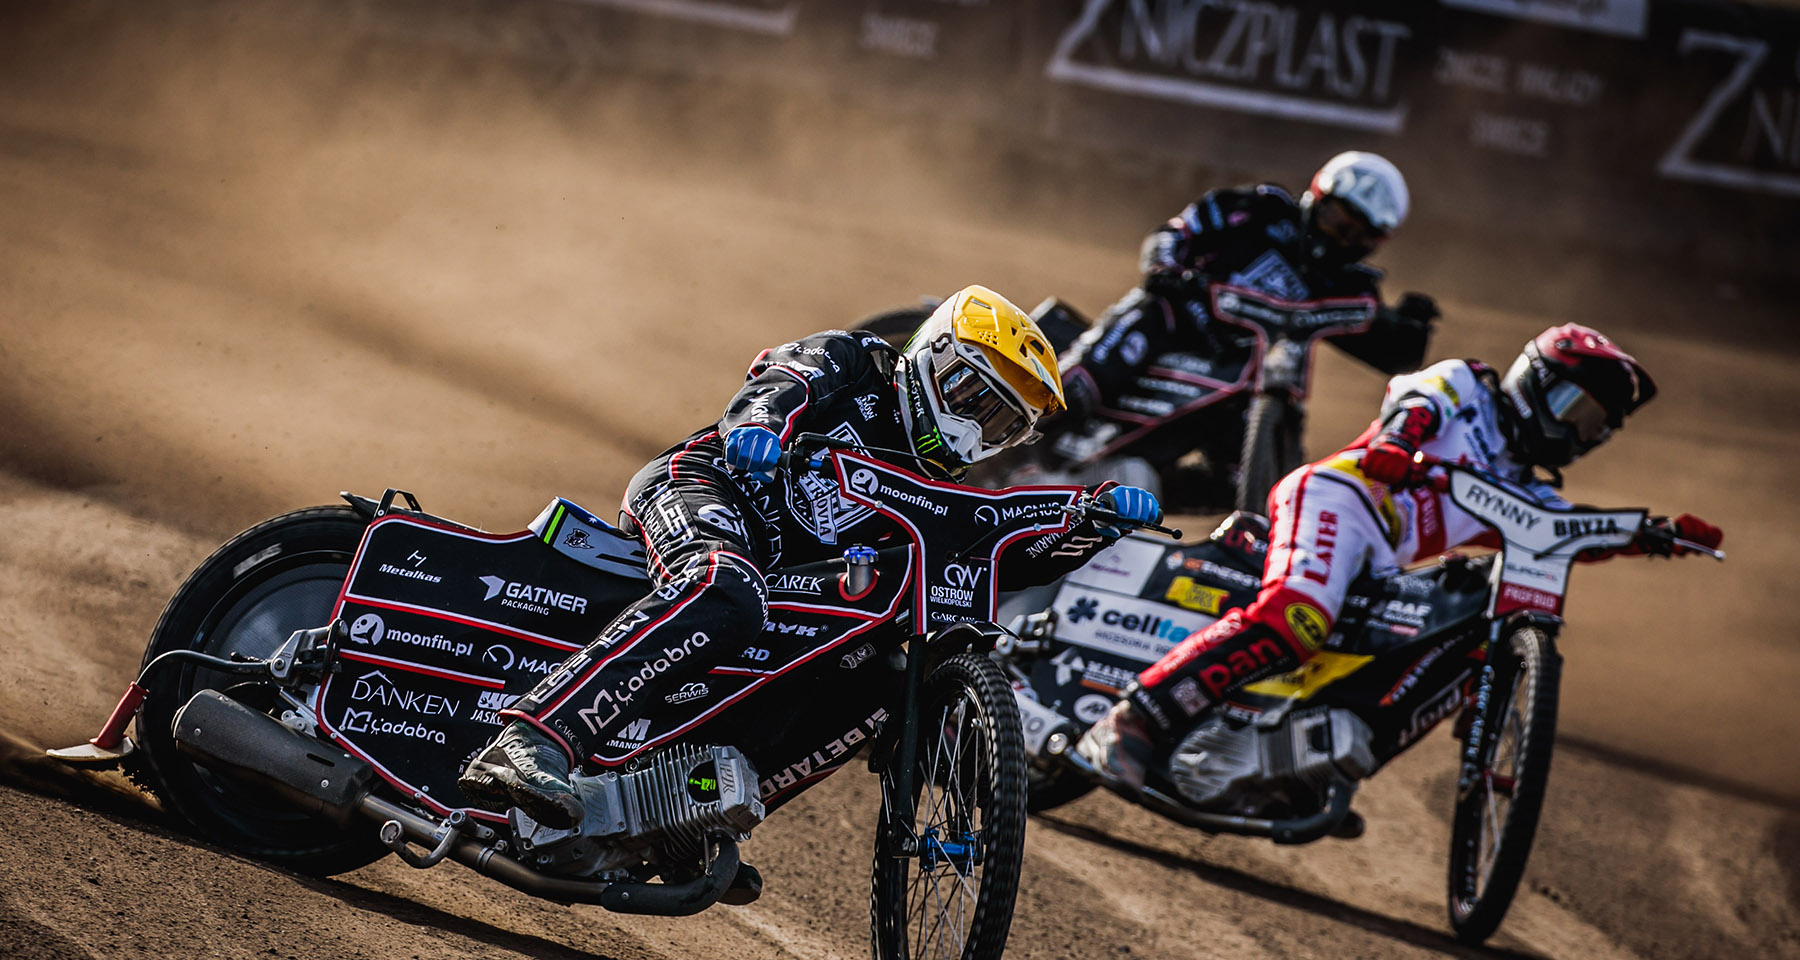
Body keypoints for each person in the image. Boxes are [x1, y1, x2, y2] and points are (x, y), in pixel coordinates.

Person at [457, 285, 1161, 827]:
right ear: (936, 356)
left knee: (882, 673)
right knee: (726, 587)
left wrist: (1090, 527)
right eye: (974, 398)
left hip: (778, 573)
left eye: (1001, 423)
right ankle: (533, 737)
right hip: (703, 486)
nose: (978, 430)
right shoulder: (858, 362)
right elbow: (781, 381)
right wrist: (760, 425)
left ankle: (689, 816)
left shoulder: (938, 490)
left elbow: (1004, 561)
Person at [1075, 323, 1724, 793]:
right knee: (1299, 615)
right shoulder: (1469, 384)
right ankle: (1135, 719)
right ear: (1536, 381)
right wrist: (1396, 442)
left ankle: (1291, 768)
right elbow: (1417, 403)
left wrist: (1653, 535)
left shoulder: (1528, 491)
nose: (1578, 432)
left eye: (1594, 425)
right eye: (1573, 409)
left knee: (1452, 638)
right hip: (1339, 498)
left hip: (1382, 560)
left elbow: (1563, 532)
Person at [1039, 151, 1441, 502]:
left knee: (1241, 481)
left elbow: (1395, 353)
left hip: (1245, 378)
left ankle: (1133, 491)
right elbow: (1175, 233)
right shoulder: (1259, 210)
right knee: (1084, 383)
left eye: (1356, 235)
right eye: (1338, 220)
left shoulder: (1351, 286)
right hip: (1173, 324)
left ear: (1374, 243)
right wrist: (1165, 269)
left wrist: (1410, 328)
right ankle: (1022, 427)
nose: (1339, 237)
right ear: (1318, 195)